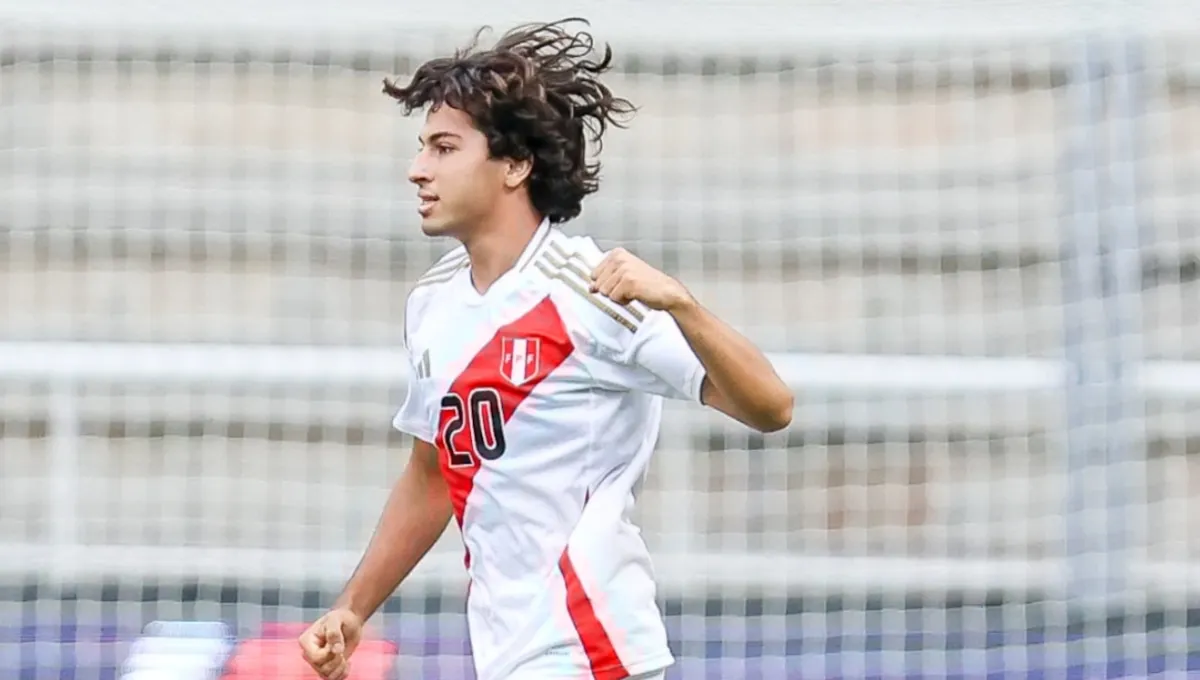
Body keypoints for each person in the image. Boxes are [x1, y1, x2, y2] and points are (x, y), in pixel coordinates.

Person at [297, 17, 793, 680]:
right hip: (507, 652)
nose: (418, 170)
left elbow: (771, 406)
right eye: (422, 148)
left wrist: (681, 304)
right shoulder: (432, 304)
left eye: (444, 148)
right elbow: (431, 473)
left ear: (516, 165)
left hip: (593, 647)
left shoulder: (589, 292)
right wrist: (354, 609)